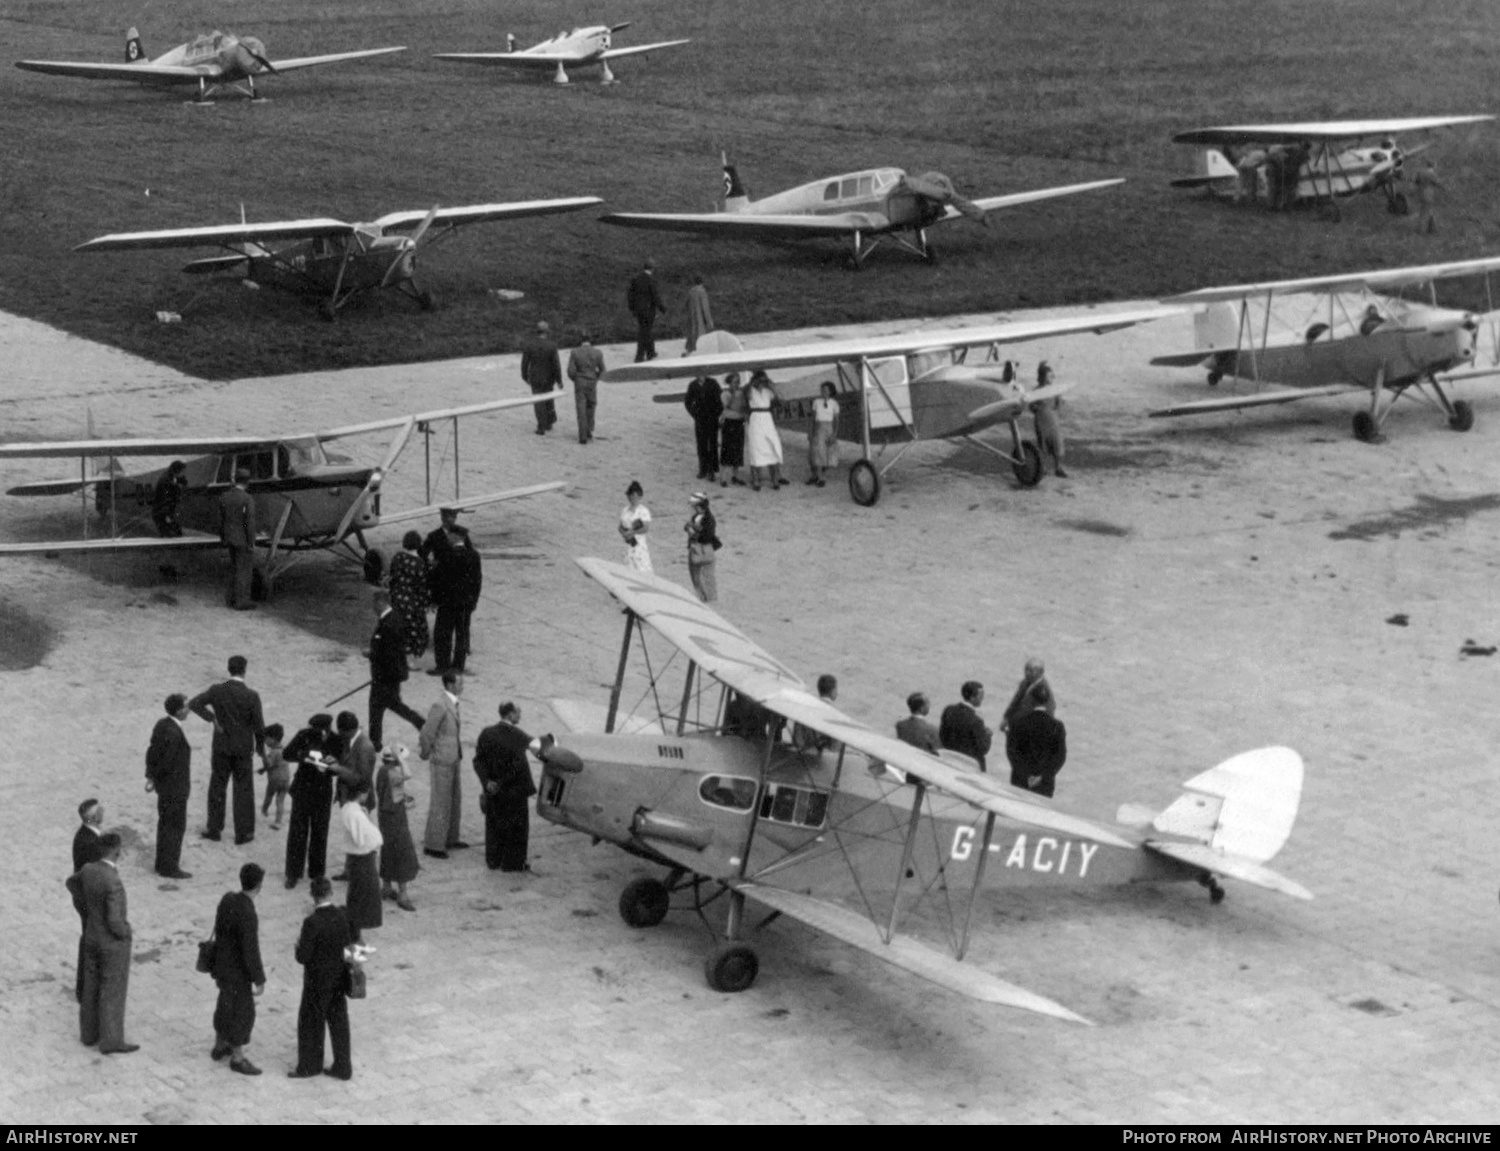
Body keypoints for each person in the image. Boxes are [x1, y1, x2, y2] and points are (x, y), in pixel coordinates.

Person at [67, 833, 137, 1054]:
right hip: (111, 943)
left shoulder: (88, 870)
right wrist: (126, 933)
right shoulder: (113, 881)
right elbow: (115, 920)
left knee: (91, 986)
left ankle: (88, 1034)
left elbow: (72, 883)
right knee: (112, 989)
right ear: (117, 852)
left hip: (91, 936)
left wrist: (86, 913)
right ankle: (111, 1040)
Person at [189, 654, 267, 846]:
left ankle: (214, 828)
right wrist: (260, 747)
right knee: (243, 789)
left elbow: (194, 703)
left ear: (228, 668)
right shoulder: (251, 696)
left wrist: (212, 718)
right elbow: (259, 725)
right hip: (242, 748)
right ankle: (244, 832)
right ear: (244, 670)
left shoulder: (217, 690)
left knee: (217, 785)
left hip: (222, 746)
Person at [289, 877, 355, 1080]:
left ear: (313, 896)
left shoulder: (312, 922)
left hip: (317, 982)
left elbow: (303, 957)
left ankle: (310, 1066)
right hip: (338, 979)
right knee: (339, 1022)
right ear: (330, 893)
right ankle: (343, 1066)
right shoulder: (342, 915)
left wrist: (298, 947)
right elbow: (350, 947)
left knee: (311, 1023)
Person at [210, 863, 266, 1076]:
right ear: (259, 886)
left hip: (221, 966)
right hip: (237, 973)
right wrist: (259, 978)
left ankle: (219, 1045)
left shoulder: (227, 900)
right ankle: (237, 1057)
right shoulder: (248, 912)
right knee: (242, 1012)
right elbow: (250, 950)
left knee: (224, 1005)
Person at [473, 701, 539, 872]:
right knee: (516, 828)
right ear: (510, 714)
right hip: (513, 791)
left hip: (493, 790)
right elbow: (520, 763)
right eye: (518, 712)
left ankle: (493, 860)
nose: (520, 715)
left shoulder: (487, 733)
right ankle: (513, 863)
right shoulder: (518, 735)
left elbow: (478, 760)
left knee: (494, 825)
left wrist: (487, 781)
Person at [421, 508, 482, 676]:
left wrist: (433, 598)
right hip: (465, 602)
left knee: (443, 634)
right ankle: (458, 666)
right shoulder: (474, 555)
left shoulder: (446, 557)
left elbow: (438, 579)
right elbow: (477, 581)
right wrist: (473, 601)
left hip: (447, 601)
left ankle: (443, 665)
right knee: (462, 633)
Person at [283, 714, 341, 890]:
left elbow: (339, 765)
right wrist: (304, 756)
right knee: (297, 832)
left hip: (322, 790)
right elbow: (287, 754)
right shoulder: (304, 735)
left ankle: (317, 873)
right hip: (303, 788)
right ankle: (293, 873)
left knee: (320, 832)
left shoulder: (336, 741)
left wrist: (328, 766)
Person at [367, 588, 427, 748]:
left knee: (384, 707)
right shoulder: (392, 619)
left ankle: (422, 725)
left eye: (374, 604)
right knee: (383, 707)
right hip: (388, 675)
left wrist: (371, 654)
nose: (372, 607)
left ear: (380, 603)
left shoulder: (389, 623)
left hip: (386, 676)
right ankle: (375, 741)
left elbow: (388, 653)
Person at [419, 671, 468, 859]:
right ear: (449, 684)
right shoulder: (439, 705)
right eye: (459, 682)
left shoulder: (453, 702)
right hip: (441, 759)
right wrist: (425, 752)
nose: (462, 685)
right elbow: (427, 733)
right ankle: (433, 844)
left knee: (454, 800)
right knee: (440, 802)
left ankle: (450, 838)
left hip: (453, 757)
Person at [144, 693, 193, 879]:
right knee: (175, 827)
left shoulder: (161, 725)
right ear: (179, 711)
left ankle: (162, 863)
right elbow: (166, 762)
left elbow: (152, 752)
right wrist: (157, 777)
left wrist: (151, 776)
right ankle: (170, 867)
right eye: (186, 707)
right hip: (175, 788)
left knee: (165, 825)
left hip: (165, 788)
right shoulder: (174, 733)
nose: (188, 710)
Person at [70, 799, 106, 1003]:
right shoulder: (88, 842)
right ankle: (85, 989)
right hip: (89, 900)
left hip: (87, 898)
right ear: (91, 817)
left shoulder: (91, 835)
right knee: (90, 941)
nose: (103, 812)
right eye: (99, 811)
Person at [375, 746, 419, 911]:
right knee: (402, 851)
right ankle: (403, 894)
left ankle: (386, 885)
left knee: (388, 849)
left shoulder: (381, 771)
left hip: (385, 815)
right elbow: (408, 774)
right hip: (396, 816)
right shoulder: (393, 772)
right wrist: (401, 760)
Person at [338, 780, 384, 937]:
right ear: (362, 794)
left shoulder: (348, 808)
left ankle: (355, 934)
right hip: (363, 859)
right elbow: (364, 839)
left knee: (356, 897)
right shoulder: (356, 814)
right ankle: (354, 935)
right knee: (362, 899)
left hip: (356, 859)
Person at [1005, 683, 1067, 797]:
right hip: (1044, 783)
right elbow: (1060, 757)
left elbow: (1012, 752)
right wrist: (1043, 776)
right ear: (1047, 700)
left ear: (1031, 699)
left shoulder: (1017, 722)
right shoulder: (1057, 726)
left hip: (1020, 780)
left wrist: (1025, 775)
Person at [384, 533, 430, 660]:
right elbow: (422, 585)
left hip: (397, 598)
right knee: (414, 630)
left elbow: (392, 576)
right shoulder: (419, 563)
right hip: (412, 602)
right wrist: (425, 602)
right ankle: (410, 657)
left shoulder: (398, 557)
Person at [218, 467, 258, 610]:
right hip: (242, 539)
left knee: (234, 568)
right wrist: (251, 541)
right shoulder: (247, 498)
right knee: (244, 571)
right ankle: (242, 601)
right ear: (247, 482)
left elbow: (221, 520)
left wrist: (223, 537)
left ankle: (230, 599)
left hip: (229, 538)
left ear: (235, 480)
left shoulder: (225, 496)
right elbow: (250, 522)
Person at [744, 371, 788, 490]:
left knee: (772, 446)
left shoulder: (768, 391)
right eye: (761, 380)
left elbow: (778, 400)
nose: (762, 382)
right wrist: (753, 382)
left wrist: (771, 385)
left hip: (767, 419)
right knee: (755, 448)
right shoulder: (751, 390)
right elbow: (747, 394)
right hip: (756, 419)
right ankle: (756, 481)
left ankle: (775, 480)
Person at [520, 319, 562, 434]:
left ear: (537, 331)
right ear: (547, 332)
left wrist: (525, 376)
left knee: (538, 401)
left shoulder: (529, 345)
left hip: (535, 377)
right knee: (548, 398)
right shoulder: (552, 345)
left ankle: (541, 426)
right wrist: (559, 380)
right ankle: (549, 422)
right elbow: (556, 365)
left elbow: (524, 363)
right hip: (549, 378)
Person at [940, 680, 992, 772]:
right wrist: (988, 735)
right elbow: (983, 748)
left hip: (949, 756)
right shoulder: (976, 721)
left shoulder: (949, 710)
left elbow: (942, 735)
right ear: (972, 698)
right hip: (969, 762)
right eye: (981, 696)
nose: (982, 698)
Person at [567, 331, 605, 444]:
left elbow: (570, 371)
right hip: (592, 381)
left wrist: (577, 379)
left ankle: (582, 435)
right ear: (590, 340)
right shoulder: (598, 353)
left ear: (581, 340)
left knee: (581, 408)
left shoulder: (575, 352)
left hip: (580, 381)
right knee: (591, 406)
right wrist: (595, 378)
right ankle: (589, 430)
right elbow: (603, 370)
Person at [627, 258, 666, 362]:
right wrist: (662, 308)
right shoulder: (651, 280)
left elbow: (630, 295)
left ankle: (651, 352)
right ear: (652, 268)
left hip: (638, 311)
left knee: (646, 330)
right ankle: (639, 356)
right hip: (648, 310)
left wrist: (632, 308)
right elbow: (655, 296)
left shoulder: (636, 279)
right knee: (645, 332)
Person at [684, 492, 721, 603]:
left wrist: (692, 531)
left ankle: (708, 602)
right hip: (697, 551)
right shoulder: (697, 517)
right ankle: (702, 600)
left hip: (703, 552)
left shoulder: (709, 520)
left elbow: (705, 537)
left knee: (706, 579)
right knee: (697, 579)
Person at [684, 375, 723, 482]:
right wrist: (694, 414)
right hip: (700, 419)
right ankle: (703, 469)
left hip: (712, 418)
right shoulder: (692, 385)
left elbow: (720, 399)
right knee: (701, 444)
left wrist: (717, 413)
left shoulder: (713, 383)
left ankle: (712, 469)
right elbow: (687, 402)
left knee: (712, 444)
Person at [1032, 363, 1067, 477]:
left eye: (1052, 376)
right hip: (1041, 418)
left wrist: (1056, 413)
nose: (1052, 378)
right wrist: (1036, 408)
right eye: (1049, 376)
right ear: (1042, 377)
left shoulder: (1055, 390)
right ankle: (1044, 467)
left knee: (1057, 442)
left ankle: (1058, 467)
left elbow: (1059, 405)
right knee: (1043, 443)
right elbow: (1031, 405)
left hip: (1052, 418)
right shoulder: (1036, 390)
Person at [1001, 658, 1055, 733]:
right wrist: (1006, 717)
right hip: (1018, 725)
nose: (1027, 673)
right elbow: (1016, 700)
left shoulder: (1043, 689)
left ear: (1040, 672)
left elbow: (1047, 710)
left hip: (1032, 729)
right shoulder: (1025, 683)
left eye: (1031, 671)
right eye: (1026, 670)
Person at [806, 381, 840, 486]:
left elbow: (837, 421)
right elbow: (812, 419)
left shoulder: (834, 403)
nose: (823, 392)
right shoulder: (816, 402)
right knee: (817, 453)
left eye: (825, 390)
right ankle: (819, 478)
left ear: (830, 391)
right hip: (819, 428)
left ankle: (817, 475)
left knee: (829, 454)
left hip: (829, 428)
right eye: (822, 390)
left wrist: (834, 434)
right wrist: (810, 432)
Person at [718, 373, 747, 487]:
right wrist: (736, 396)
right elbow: (729, 406)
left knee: (738, 449)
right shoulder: (725, 394)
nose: (737, 384)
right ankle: (723, 478)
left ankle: (735, 476)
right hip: (729, 422)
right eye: (735, 382)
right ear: (729, 383)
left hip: (738, 422)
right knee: (727, 449)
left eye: (738, 382)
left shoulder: (739, 393)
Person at [258, 723, 289, 828]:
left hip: (275, 779)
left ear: (273, 739)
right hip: (286, 779)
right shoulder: (284, 750)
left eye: (266, 738)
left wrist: (263, 756)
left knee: (269, 795)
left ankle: (265, 810)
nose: (265, 741)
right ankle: (278, 821)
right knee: (280, 800)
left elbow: (269, 764)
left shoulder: (273, 752)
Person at [619, 481, 652, 572]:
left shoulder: (643, 511)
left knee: (642, 570)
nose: (632, 498)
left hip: (639, 546)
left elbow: (645, 527)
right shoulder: (625, 510)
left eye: (634, 496)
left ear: (639, 496)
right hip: (628, 545)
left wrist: (633, 532)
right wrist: (624, 533)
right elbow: (620, 526)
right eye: (630, 496)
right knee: (628, 570)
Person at [151, 460, 187, 537]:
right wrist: (167, 515)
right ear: (177, 470)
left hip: (163, 511)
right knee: (171, 534)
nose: (182, 473)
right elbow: (165, 498)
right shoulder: (166, 480)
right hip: (162, 512)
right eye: (181, 470)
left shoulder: (169, 477)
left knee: (172, 532)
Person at [684, 274, 714, 354]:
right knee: (700, 334)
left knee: (692, 332)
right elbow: (705, 308)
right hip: (700, 317)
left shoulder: (690, 291)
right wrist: (709, 321)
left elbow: (686, 305)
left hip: (691, 316)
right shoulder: (702, 292)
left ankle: (690, 349)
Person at [1415, 159, 1442, 234]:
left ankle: (1433, 229)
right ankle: (1422, 230)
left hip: (1421, 193)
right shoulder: (1431, 174)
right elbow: (1438, 183)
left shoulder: (1420, 173)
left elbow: (1416, 181)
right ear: (1434, 165)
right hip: (1428, 194)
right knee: (1425, 212)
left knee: (1430, 212)